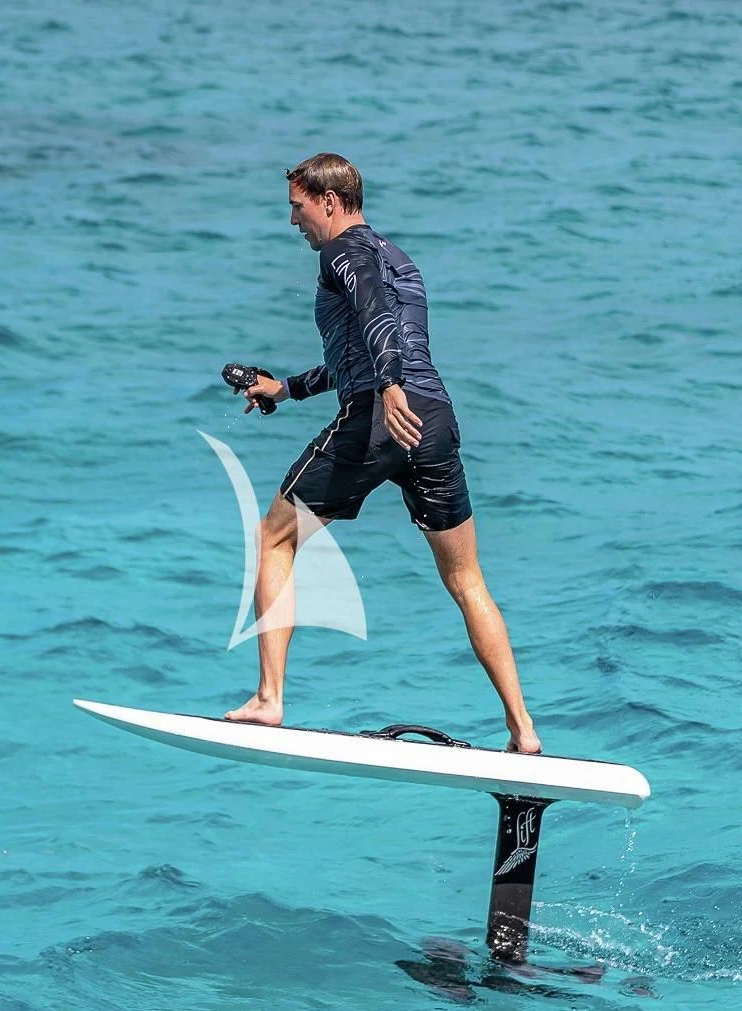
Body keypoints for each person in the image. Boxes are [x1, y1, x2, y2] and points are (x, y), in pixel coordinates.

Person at [224, 152, 542, 755]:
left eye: (297, 208)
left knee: (274, 537)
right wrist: (286, 388)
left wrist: (389, 383)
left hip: (381, 415)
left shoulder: (344, 252)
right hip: (436, 421)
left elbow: (373, 318)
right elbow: (364, 344)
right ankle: (523, 729)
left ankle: (269, 697)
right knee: (466, 577)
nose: (294, 222)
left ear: (329, 202)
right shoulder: (403, 262)